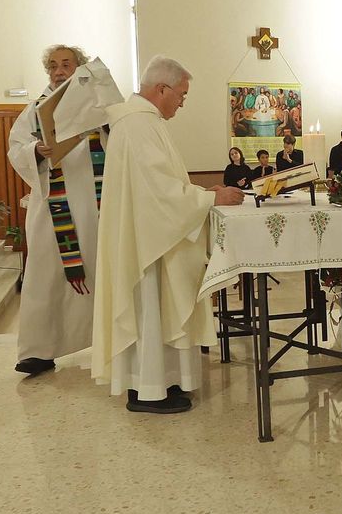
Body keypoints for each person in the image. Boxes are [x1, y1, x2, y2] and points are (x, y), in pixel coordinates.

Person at [90, 55, 244, 414]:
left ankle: (161, 383)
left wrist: (202, 193)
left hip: (151, 235)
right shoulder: (139, 124)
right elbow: (156, 192)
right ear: (161, 88)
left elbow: (161, 183)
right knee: (150, 309)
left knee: (158, 311)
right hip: (148, 245)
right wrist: (208, 198)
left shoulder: (141, 122)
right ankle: (148, 390)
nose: (182, 102)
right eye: (182, 94)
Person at [7, 44, 106, 376]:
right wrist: (36, 148)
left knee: (101, 271)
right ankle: (38, 350)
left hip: (95, 206)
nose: (58, 70)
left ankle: (108, 340)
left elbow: (120, 143)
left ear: (79, 68)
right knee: (44, 275)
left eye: (66, 64)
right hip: (53, 207)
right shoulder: (35, 110)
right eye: (52, 65)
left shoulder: (98, 106)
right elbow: (16, 148)